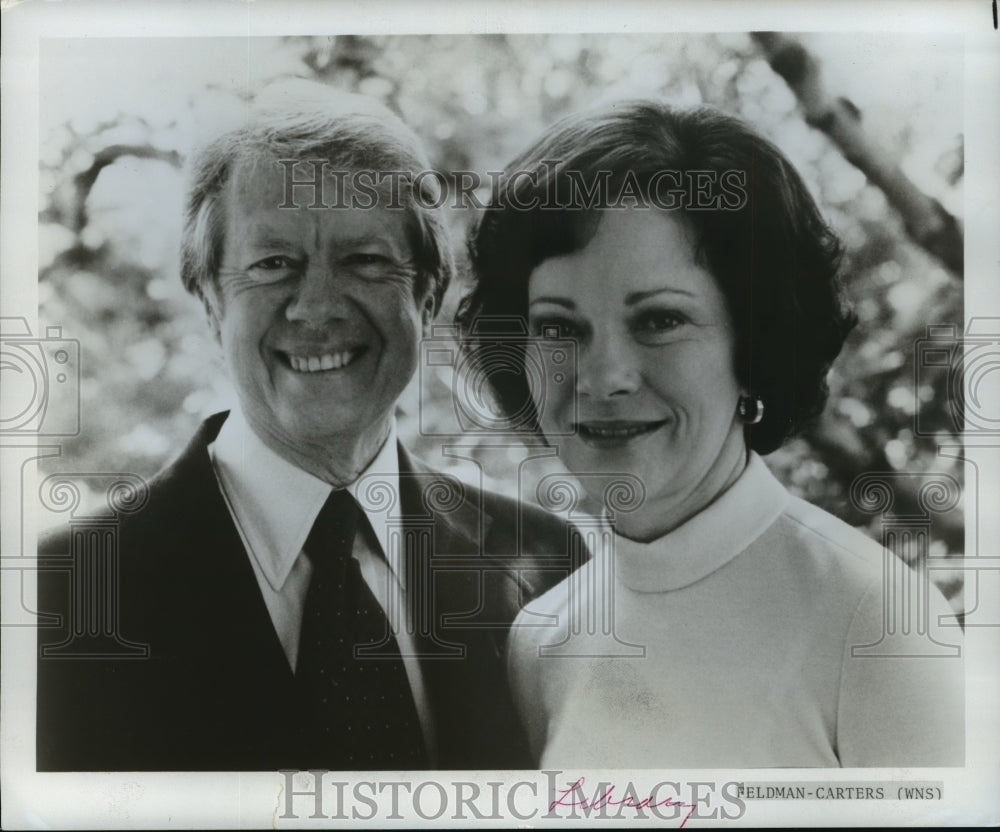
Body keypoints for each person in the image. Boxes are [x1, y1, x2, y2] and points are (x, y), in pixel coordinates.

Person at [36, 81, 575, 771]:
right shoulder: (60, 595)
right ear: (209, 301)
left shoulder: (548, 565)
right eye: (273, 265)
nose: (317, 306)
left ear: (429, 293)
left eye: (365, 260)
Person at [459, 100, 964, 768]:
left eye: (660, 320)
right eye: (557, 326)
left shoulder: (877, 626)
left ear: (752, 343)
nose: (603, 375)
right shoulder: (541, 642)